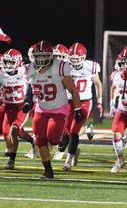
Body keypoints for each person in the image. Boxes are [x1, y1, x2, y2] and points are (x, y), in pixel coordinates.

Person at [23, 40, 82, 179]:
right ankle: (48, 170)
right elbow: (30, 88)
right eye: (38, 56)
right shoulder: (29, 69)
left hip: (58, 109)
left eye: (44, 56)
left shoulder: (59, 67)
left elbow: (73, 90)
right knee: (40, 140)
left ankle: (63, 139)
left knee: (53, 139)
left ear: (51, 56)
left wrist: (78, 108)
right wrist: (27, 101)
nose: (41, 59)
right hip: (41, 108)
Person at [61, 42, 103, 171]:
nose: (74, 61)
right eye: (72, 58)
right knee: (65, 132)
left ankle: (68, 160)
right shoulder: (65, 66)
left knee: (74, 131)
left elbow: (98, 84)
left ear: (83, 57)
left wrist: (99, 102)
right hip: (69, 102)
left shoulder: (91, 67)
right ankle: (86, 130)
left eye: (77, 58)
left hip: (84, 102)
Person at [0, 48, 35, 169]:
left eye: (12, 62)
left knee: (14, 130)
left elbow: (33, 82)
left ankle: (11, 160)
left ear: (18, 62)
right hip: (7, 107)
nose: (8, 65)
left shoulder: (25, 71)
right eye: (7, 62)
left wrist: (29, 101)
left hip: (21, 107)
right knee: (9, 132)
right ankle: (32, 141)